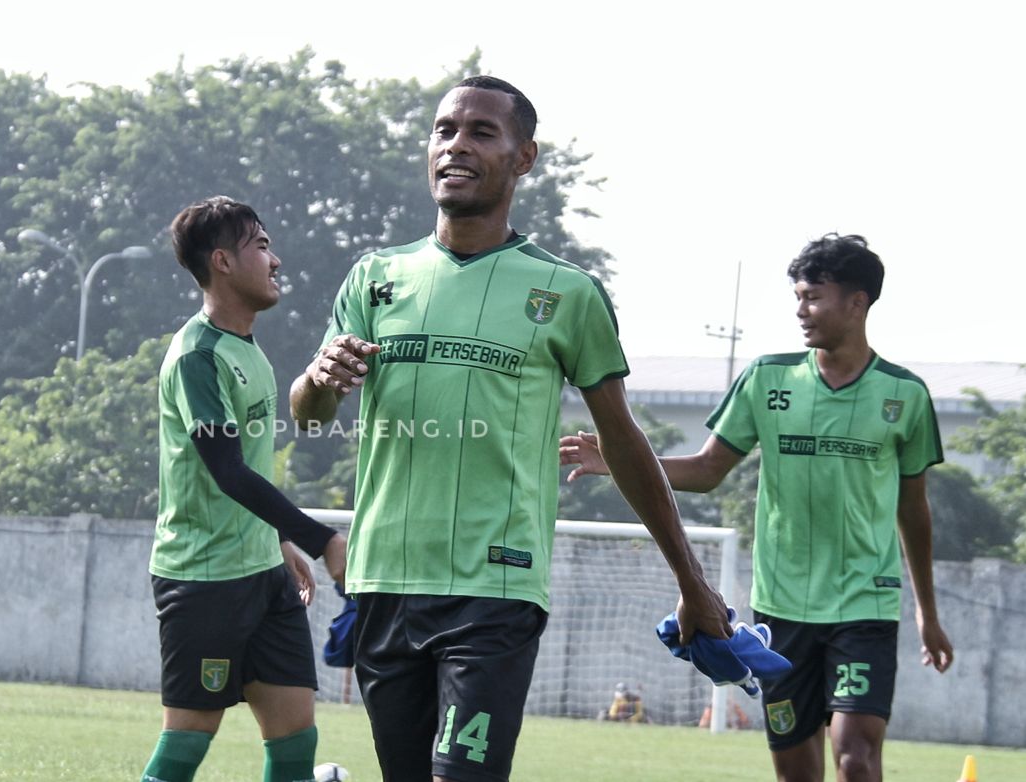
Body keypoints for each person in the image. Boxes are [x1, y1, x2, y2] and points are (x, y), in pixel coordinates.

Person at [289, 76, 730, 782]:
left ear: (523, 158)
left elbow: (623, 441)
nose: (456, 145)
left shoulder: (567, 294)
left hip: (494, 588)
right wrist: (318, 377)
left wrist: (691, 578)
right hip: (383, 581)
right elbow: (309, 417)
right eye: (444, 130)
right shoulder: (376, 277)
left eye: (481, 132)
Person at [562, 233, 954, 782]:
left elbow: (914, 511)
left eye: (814, 297)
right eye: (797, 297)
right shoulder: (768, 379)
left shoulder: (905, 395)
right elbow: (707, 470)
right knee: (797, 773)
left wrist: (927, 614)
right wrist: (617, 461)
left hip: (866, 605)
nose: (801, 310)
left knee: (856, 755)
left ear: (857, 302)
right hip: (782, 605)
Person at [141, 196, 348, 782]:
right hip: (203, 579)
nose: (275, 259)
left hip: (262, 575)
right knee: (185, 744)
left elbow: (245, 476)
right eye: (261, 246)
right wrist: (320, 540)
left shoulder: (247, 349)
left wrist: (277, 539)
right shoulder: (197, 358)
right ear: (223, 262)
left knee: (294, 740)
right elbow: (226, 471)